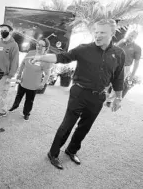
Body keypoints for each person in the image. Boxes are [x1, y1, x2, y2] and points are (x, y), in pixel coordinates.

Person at [29, 19, 125, 170]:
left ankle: (71, 150)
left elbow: (119, 77)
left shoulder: (119, 53)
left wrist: (118, 97)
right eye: (96, 32)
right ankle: (53, 153)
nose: (98, 35)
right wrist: (40, 57)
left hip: (98, 96)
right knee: (67, 125)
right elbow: (62, 57)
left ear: (112, 34)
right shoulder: (84, 49)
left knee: (85, 127)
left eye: (102, 33)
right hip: (79, 92)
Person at [8, 38, 52, 121]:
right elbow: (23, 64)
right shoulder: (31, 53)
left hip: (33, 84)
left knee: (29, 100)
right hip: (23, 80)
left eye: (41, 45)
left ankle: (26, 113)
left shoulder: (46, 59)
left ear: (46, 48)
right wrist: (19, 74)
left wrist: (43, 83)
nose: (38, 46)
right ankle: (15, 105)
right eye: (38, 44)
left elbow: (47, 74)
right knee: (19, 95)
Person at [0, 22, 19, 118]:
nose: (3, 32)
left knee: (3, 93)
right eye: (2, 31)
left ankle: (2, 111)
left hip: (5, 75)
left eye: (5, 31)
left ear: (10, 31)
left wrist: (10, 76)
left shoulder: (14, 45)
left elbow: (15, 61)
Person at [106, 29, 141, 105]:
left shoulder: (137, 48)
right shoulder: (122, 42)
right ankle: (100, 96)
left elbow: (136, 63)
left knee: (117, 84)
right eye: (129, 35)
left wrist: (132, 75)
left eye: (132, 36)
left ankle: (109, 100)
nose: (130, 37)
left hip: (125, 68)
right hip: (114, 65)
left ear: (135, 38)